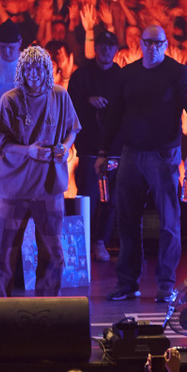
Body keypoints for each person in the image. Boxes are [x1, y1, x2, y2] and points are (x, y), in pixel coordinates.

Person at [109, 24, 187, 303]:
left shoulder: (179, 73)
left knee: (169, 222)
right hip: (131, 153)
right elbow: (114, 115)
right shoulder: (128, 74)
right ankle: (128, 283)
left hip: (164, 155)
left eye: (158, 43)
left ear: (166, 45)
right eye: (148, 43)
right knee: (126, 219)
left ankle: (166, 285)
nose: (152, 48)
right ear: (140, 44)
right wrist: (105, 151)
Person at [0, 46, 80, 298]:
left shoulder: (59, 95)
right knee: (3, 251)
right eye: (27, 68)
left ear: (47, 70)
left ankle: (47, 306)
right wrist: (28, 151)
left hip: (49, 188)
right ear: (21, 71)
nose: (33, 73)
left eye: (38, 68)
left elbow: (73, 128)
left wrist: (65, 147)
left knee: (53, 252)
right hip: (14, 189)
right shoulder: (9, 100)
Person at [68, 28, 124, 264]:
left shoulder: (121, 76)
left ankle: (101, 241)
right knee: (87, 197)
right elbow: (69, 106)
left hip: (115, 148)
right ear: (96, 48)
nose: (105, 50)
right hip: (90, 146)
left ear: (115, 50)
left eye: (110, 47)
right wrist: (88, 101)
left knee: (111, 200)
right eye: (102, 46)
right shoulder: (81, 75)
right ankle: (83, 242)